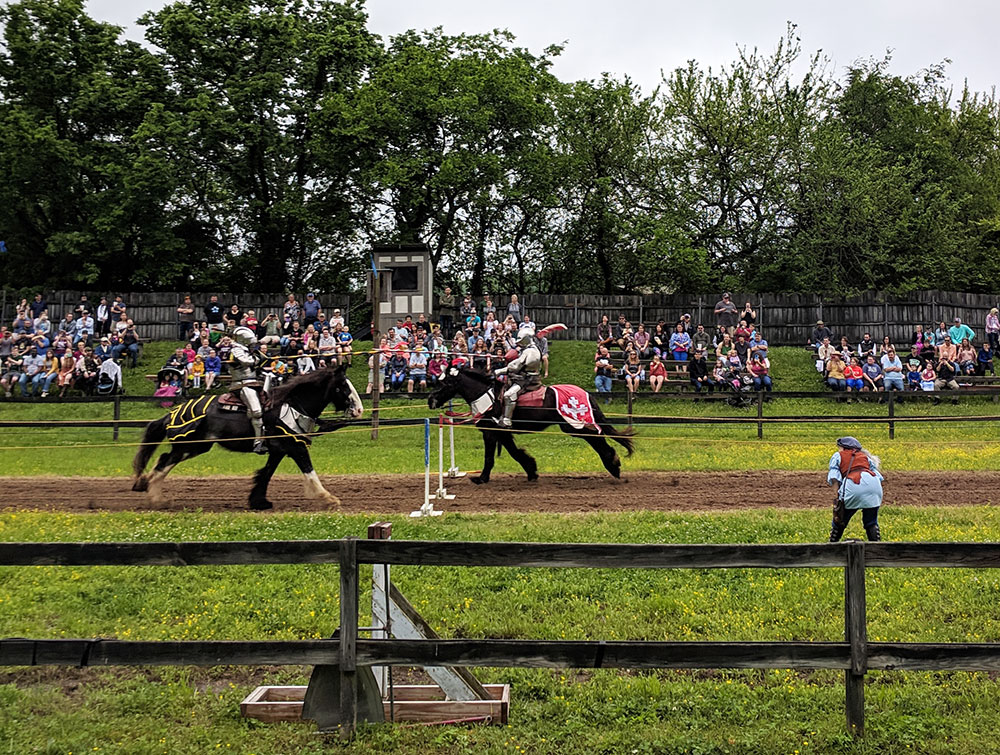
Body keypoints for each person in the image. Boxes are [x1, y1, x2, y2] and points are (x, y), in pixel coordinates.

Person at [828, 436, 884, 542]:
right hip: (874, 487)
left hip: (853, 486)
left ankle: (831, 548)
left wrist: (837, 498)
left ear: (843, 448)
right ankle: (877, 549)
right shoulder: (865, 457)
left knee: (839, 520)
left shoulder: (838, 456)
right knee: (871, 522)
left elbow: (834, 478)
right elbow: (878, 476)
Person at [493, 325, 542, 427]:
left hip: (527, 379)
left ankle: (507, 420)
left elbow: (516, 366)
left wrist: (500, 371)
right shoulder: (527, 349)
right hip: (523, 376)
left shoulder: (530, 351)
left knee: (509, 395)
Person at [230, 326, 268, 454]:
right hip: (241, 384)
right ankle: (258, 442)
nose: (253, 346)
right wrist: (259, 358)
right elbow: (247, 362)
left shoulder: (246, 350)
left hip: (253, 382)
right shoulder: (236, 351)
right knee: (256, 411)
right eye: (251, 344)